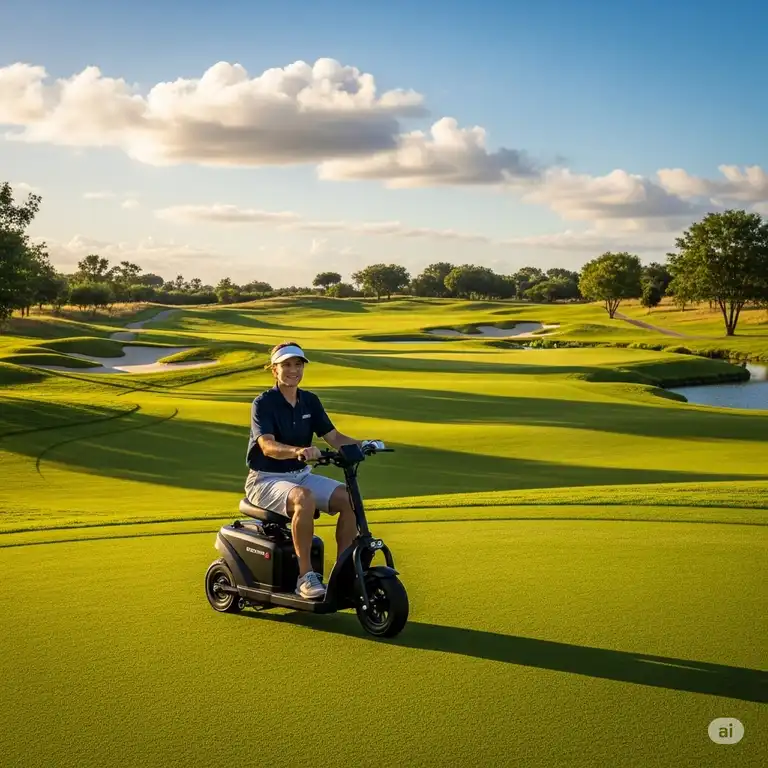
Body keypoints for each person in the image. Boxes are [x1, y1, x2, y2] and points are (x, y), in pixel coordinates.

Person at [244, 341, 365, 599]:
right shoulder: (263, 403)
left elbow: (334, 437)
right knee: (304, 498)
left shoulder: (309, 401)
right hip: (264, 480)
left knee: (349, 499)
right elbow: (267, 446)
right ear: (274, 370)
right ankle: (305, 576)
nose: (293, 370)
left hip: (300, 476)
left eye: (298, 364)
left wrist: (364, 444)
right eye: (286, 365)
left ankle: (343, 572)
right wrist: (297, 451)